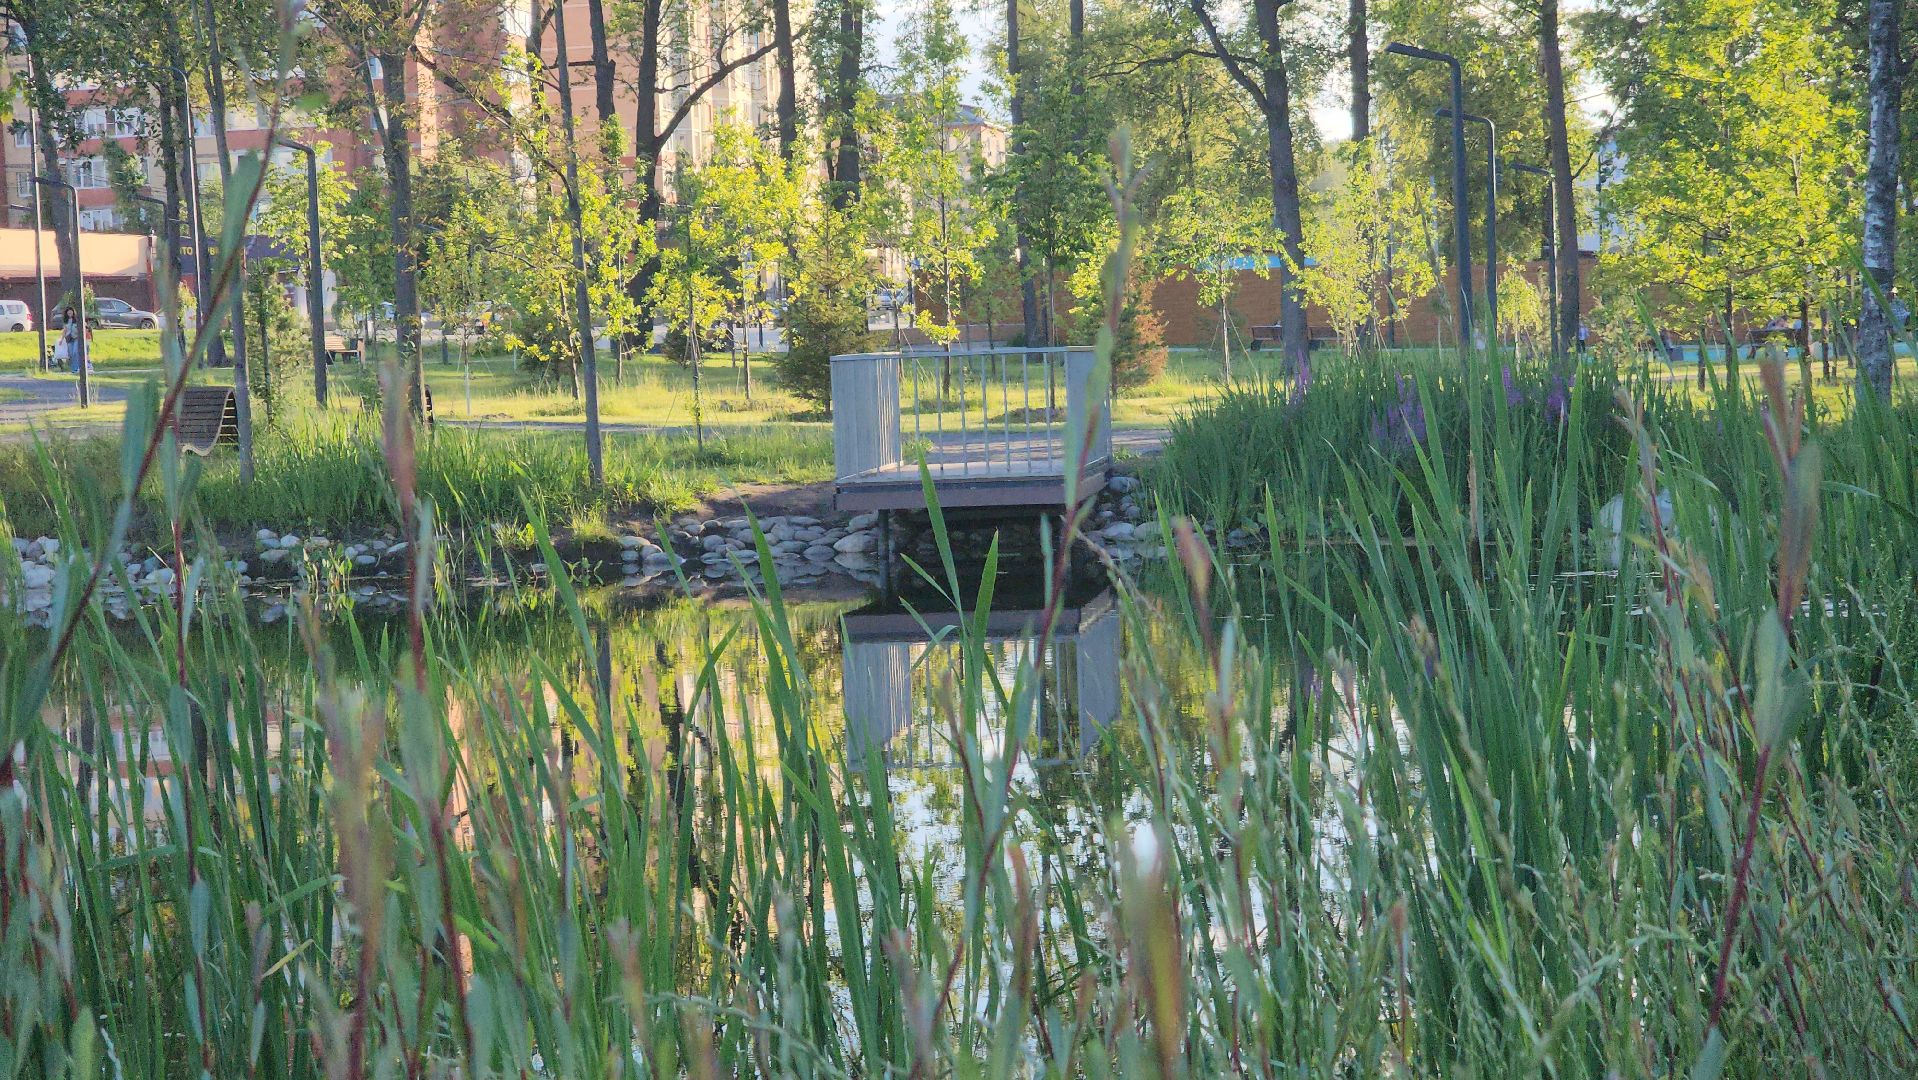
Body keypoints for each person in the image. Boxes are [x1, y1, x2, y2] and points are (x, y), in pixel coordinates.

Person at [58, 306, 92, 375]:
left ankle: (77, 368)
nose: (70, 313)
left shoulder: (77, 320)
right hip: (69, 339)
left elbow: (84, 326)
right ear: (66, 313)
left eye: (71, 311)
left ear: (73, 312)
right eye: (68, 311)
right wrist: (61, 339)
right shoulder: (66, 321)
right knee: (71, 354)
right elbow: (65, 330)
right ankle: (73, 369)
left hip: (76, 338)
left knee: (75, 352)